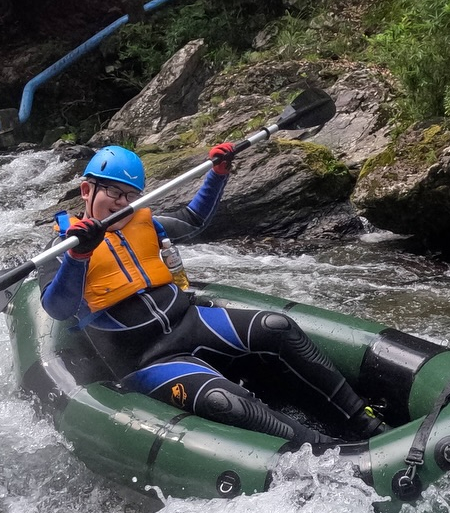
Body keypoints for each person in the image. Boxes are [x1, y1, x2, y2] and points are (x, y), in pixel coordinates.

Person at [40, 144, 383, 449]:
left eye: (131, 196)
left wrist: (219, 173)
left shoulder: (144, 222)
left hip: (190, 321)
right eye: (114, 193)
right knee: (223, 401)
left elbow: (194, 218)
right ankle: (326, 450)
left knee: (276, 326)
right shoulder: (64, 246)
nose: (123, 204)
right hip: (145, 358)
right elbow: (57, 307)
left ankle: (363, 420)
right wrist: (79, 255)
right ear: (87, 189)